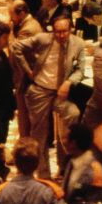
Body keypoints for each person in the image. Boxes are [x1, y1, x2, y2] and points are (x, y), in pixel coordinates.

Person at [12, 15, 84, 178]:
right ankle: (44, 175)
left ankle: (63, 166)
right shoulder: (42, 39)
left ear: (70, 30)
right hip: (40, 90)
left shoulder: (78, 43)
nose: (61, 36)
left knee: (73, 115)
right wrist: (27, 69)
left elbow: (80, 68)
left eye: (64, 31)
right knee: (40, 135)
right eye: (57, 32)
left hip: (60, 92)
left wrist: (69, 82)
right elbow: (16, 47)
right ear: (53, 31)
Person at [9, 0, 44, 137]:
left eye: (12, 15)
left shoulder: (28, 30)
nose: (10, 19)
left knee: (24, 115)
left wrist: (10, 33)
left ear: (22, 13)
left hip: (25, 77)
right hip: (28, 74)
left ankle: (25, 143)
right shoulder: (30, 23)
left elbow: (13, 52)